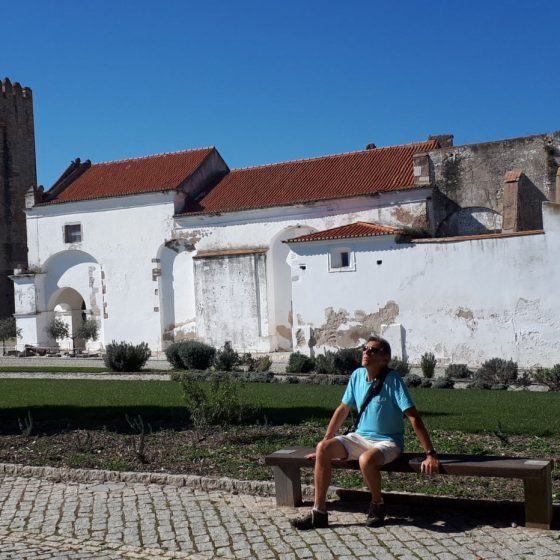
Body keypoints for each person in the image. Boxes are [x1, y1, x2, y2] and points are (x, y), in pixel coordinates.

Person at [291, 335, 440, 529]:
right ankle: (318, 513)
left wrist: (430, 454)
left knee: (366, 460)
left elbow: (413, 417)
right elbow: (343, 409)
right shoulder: (357, 375)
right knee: (323, 449)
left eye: (373, 350)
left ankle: (377, 505)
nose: (366, 352)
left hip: (388, 442)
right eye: (365, 348)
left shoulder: (393, 380)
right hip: (360, 438)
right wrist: (326, 442)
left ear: (384, 359)